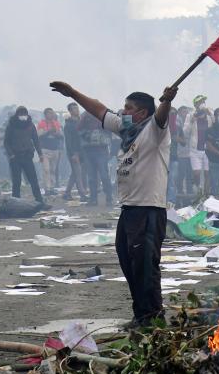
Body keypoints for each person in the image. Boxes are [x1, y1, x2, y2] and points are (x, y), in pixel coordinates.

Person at [50, 80, 177, 328]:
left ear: (142, 112)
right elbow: (99, 110)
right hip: (129, 210)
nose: (123, 112)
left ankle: (152, 317)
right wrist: (73, 93)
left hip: (148, 210)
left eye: (128, 108)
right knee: (128, 261)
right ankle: (141, 314)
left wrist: (167, 101)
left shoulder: (155, 130)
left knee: (145, 265)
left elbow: (161, 116)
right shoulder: (127, 130)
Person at [3, 106, 45, 204]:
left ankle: (39, 201)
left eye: (24, 113)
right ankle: (15, 202)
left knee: (33, 180)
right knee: (16, 181)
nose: (23, 116)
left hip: (27, 156)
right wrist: (11, 155)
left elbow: (36, 140)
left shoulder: (30, 125)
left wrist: (40, 154)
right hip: (15, 157)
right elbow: (6, 142)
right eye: (21, 114)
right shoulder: (11, 125)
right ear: (17, 115)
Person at [79, 111, 113, 206]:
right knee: (91, 177)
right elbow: (79, 129)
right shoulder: (85, 116)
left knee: (104, 175)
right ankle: (93, 199)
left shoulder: (103, 117)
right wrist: (87, 134)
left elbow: (109, 132)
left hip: (101, 150)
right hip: (89, 150)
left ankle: (109, 197)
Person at [188, 95, 213, 194]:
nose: (202, 103)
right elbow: (186, 132)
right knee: (197, 173)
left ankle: (206, 194)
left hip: (208, 149)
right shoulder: (191, 115)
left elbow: (215, 124)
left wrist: (210, 114)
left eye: (203, 101)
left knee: (207, 173)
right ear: (195, 105)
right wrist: (192, 120)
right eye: (200, 102)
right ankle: (197, 190)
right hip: (195, 150)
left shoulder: (209, 113)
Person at [63, 103, 87, 201]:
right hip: (74, 153)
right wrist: (73, 154)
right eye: (74, 109)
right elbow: (68, 142)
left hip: (82, 151)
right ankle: (82, 194)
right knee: (78, 173)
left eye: (77, 108)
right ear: (70, 111)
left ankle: (66, 193)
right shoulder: (68, 125)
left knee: (75, 174)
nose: (77, 110)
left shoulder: (81, 122)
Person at [37, 108, 63, 195]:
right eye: (49, 113)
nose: (51, 115)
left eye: (52, 113)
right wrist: (48, 132)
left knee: (53, 170)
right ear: (45, 114)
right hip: (45, 149)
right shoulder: (41, 123)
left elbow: (61, 136)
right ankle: (47, 188)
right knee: (46, 169)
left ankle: (52, 188)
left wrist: (55, 133)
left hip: (55, 149)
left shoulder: (56, 123)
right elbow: (39, 136)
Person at [176, 106, 193, 195]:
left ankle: (190, 191)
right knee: (181, 174)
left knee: (190, 174)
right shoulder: (177, 123)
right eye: (184, 112)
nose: (186, 114)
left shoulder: (191, 123)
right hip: (180, 154)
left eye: (187, 112)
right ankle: (180, 191)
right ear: (179, 113)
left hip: (190, 153)